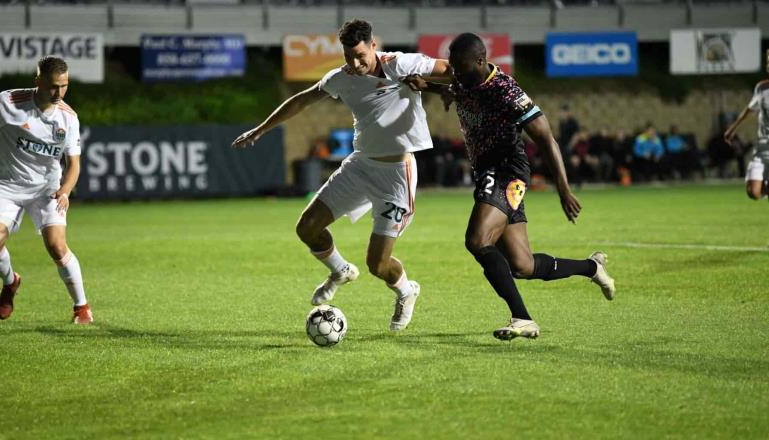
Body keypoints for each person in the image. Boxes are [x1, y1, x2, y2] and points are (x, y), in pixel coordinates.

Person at [232, 19, 449, 331]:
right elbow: (302, 100)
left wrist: (436, 86)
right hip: (360, 166)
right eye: (349, 57)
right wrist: (260, 129)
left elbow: (456, 70)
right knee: (307, 227)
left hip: (396, 176)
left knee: (378, 265)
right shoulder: (342, 77)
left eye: (361, 55)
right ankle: (340, 270)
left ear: (374, 45)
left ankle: (406, 290)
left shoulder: (401, 65)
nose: (356, 63)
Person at [402, 33, 615, 340]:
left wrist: (563, 189)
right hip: (488, 173)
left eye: (461, 69)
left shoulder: (506, 90)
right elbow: (459, 90)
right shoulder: (466, 78)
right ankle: (591, 268)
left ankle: (522, 318)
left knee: (477, 240)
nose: (457, 75)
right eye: (454, 69)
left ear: (480, 61)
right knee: (522, 265)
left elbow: (545, 138)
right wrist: (431, 87)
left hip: (506, 171)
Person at [0, 55, 92, 324]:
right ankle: (10, 282)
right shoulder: (6, 103)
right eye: (52, 86)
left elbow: (74, 165)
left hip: (46, 189)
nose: (58, 92)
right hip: (6, 184)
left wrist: (66, 190)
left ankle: (81, 308)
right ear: (38, 82)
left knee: (57, 246)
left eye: (64, 85)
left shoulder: (68, 118)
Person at [724, 49, 769, 200]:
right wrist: (733, 128)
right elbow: (750, 109)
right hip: (763, 145)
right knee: (753, 192)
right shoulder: (762, 87)